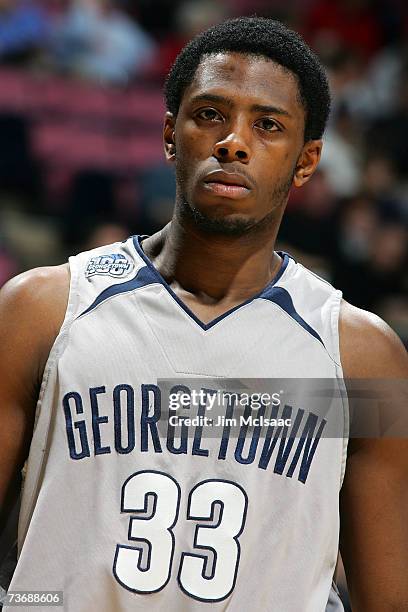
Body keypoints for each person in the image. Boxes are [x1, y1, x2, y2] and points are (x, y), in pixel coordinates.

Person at [0, 16, 407, 612]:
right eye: (210, 114)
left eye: (267, 125)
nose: (233, 141)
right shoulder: (40, 311)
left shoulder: (363, 359)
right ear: (170, 134)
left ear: (306, 159)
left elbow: (388, 600)